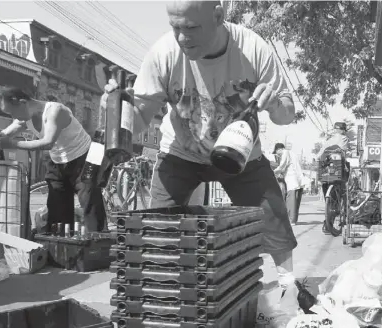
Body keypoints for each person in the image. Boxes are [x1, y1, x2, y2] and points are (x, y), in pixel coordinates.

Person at [119, 1, 298, 289]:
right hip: (181, 152)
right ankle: (160, 292)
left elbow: (287, 114)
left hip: (240, 155)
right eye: (175, 27)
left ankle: (289, 286)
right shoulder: (163, 53)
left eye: (190, 28)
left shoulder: (253, 49)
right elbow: (138, 119)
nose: (181, 38)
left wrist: (275, 103)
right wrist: (120, 111)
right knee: (157, 230)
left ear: (218, 16)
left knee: (273, 217)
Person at [0, 87, 106, 232]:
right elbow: (5, 134)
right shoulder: (24, 118)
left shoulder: (55, 111)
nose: (13, 117)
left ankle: (100, 247)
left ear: (22, 102)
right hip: (59, 161)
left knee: (91, 208)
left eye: (12, 112)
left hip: (85, 157)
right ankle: (62, 248)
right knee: (57, 212)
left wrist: (11, 144)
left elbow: (47, 142)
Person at [318, 121, 350, 233]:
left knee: (329, 200)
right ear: (343, 130)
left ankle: (327, 224)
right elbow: (343, 153)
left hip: (325, 172)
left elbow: (319, 155)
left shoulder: (328, 140)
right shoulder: (344, 138)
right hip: (337, 170)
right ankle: (339, 213)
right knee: (339, 195)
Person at [273, 143, 304, 225]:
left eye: (277, 152)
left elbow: (282, 166)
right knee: (296, 201)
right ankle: (294, 220)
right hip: (298, 178)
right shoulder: (292, 153)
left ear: (279, 149)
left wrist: (273, 172)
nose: (277, 155)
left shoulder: (285, 153)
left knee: (291, 200)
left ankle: (291, 220)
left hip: (292, 179)